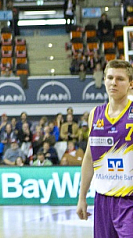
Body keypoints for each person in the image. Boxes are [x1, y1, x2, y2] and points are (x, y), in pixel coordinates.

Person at [77, 59, 133, 235]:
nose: (113, 82)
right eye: (109, 77)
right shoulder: (95, 114)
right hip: (102, 199)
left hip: (129, 199)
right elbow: (89, 157)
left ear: (131, 84)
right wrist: (82, 198)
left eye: (120, 79)